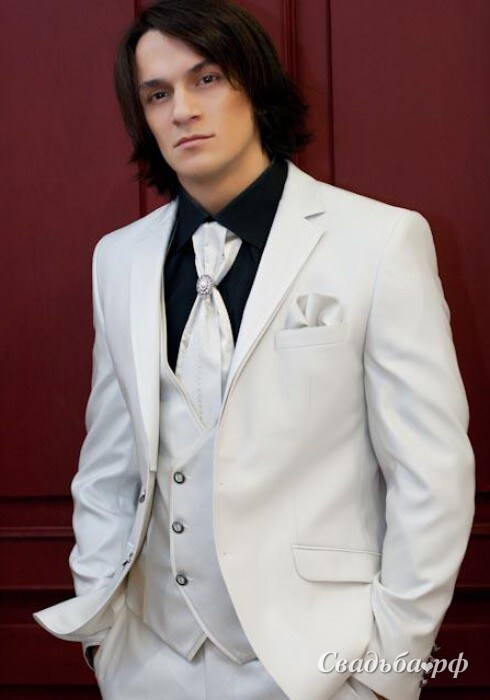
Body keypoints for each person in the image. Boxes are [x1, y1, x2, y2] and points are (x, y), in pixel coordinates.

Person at [33, 1, 475, 699]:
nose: (182, 110)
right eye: (157, 94)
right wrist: (104, 639)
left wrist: (385, 672)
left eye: (206, 79)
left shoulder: (379, 242)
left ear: (254, 86)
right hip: (147, 661)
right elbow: (108, 465)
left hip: (318, 667)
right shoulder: (118, 259)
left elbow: (432, 475)